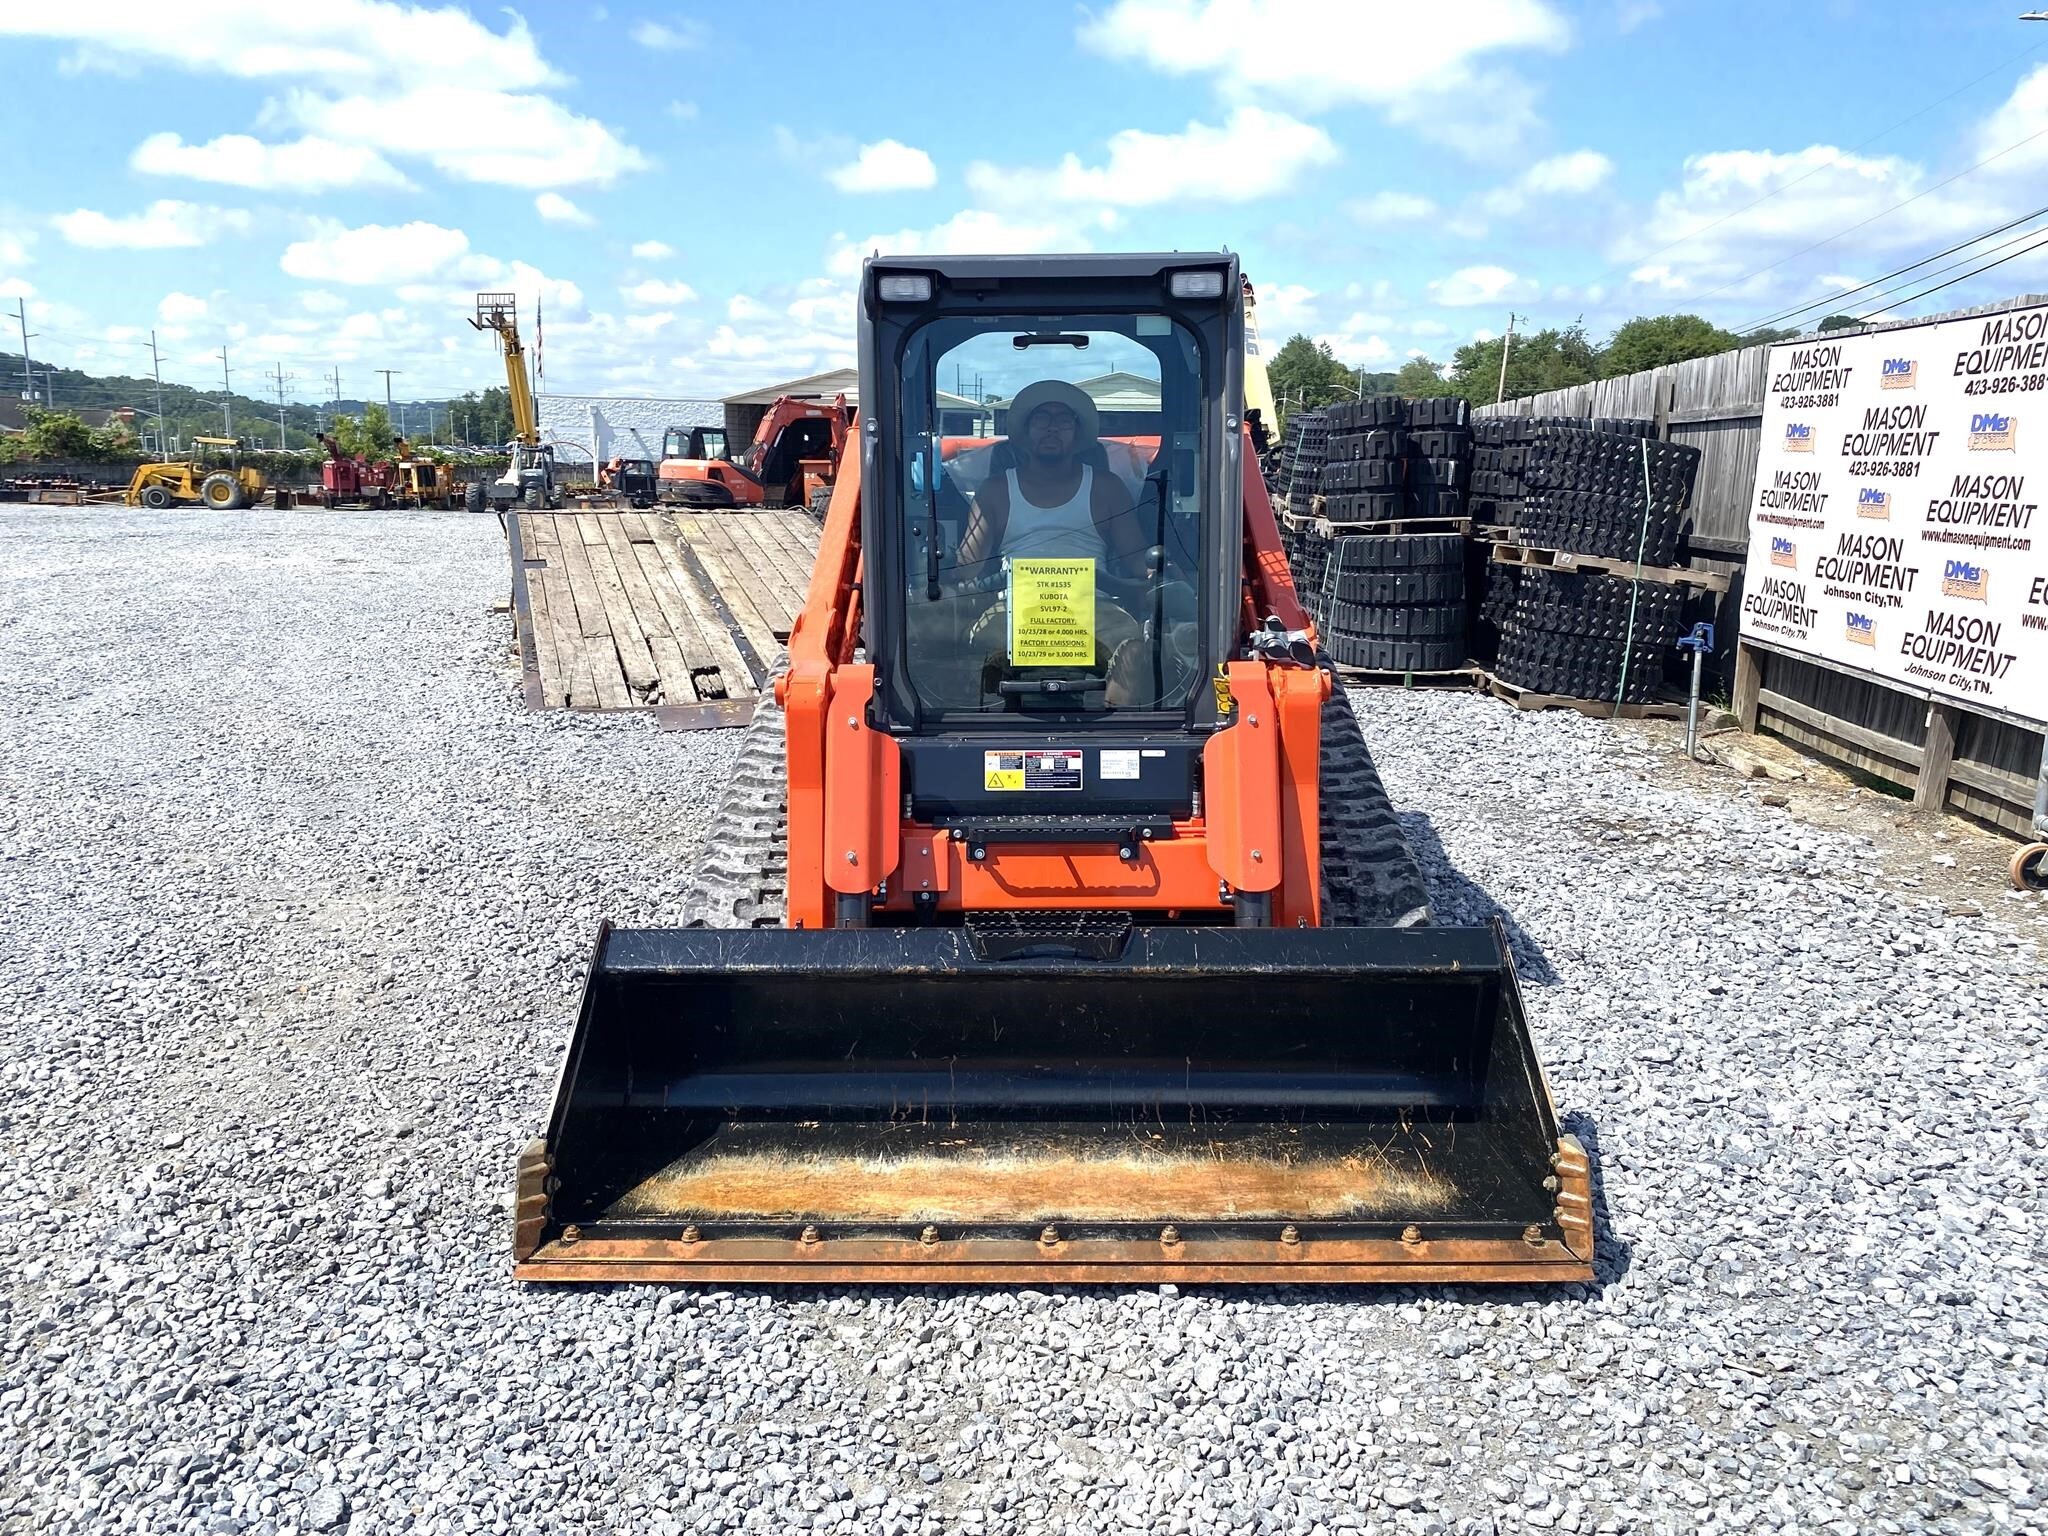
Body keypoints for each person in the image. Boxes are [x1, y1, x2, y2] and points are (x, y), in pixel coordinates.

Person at [955, 380, 1148, 573]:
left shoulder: (1108, 488)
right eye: (1041, 419)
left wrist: (1158, 573)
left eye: (1064, 420)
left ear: (1077, 432)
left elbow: (1137, 557)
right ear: (1026, 430)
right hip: (1010, 602)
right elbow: (967, 565)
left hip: (1097, 601)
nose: (1052, 428)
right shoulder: (994, 491)